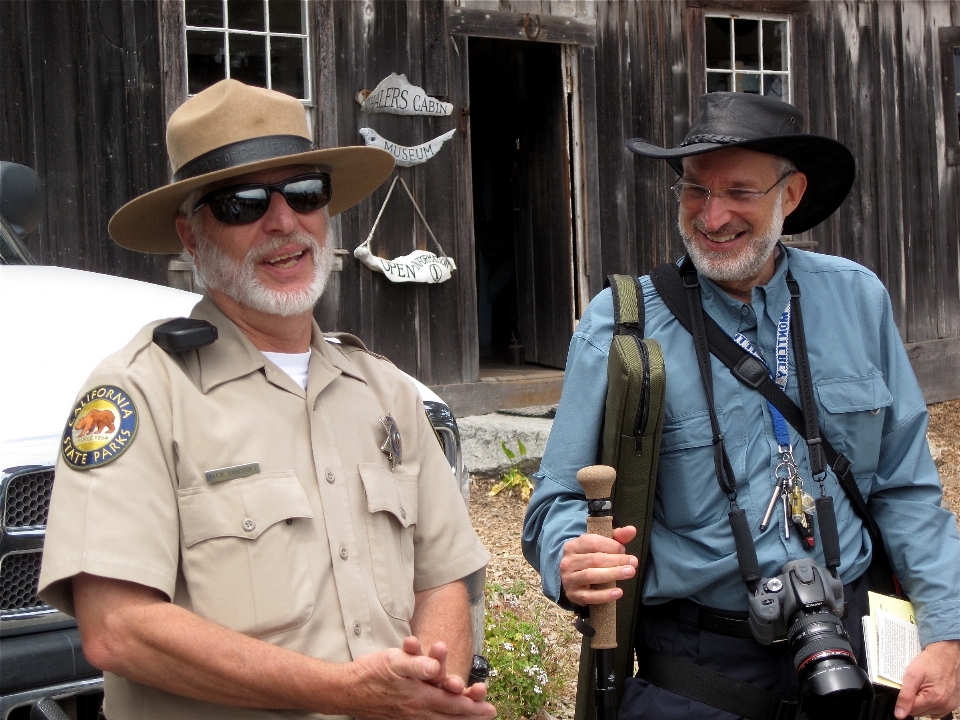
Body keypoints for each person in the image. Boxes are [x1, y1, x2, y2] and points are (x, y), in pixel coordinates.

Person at [39, 79, 495, 720]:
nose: (284, 222)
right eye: (241, 204)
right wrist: (349, 696)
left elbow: (444, 574)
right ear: (191, 235)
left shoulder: (386, 390)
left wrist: (429, 691)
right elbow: (118, 628)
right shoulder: (142, 393)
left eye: (305, 193)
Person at [522, 92, 960, 720]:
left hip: (859, 652)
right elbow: (554, 503)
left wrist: (947, 635)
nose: (712, 214)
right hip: (700, 672)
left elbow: (906, 490)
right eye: (695, 190)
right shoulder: (622, 326)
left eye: (739, 192)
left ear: (792, 193)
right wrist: (570, 555)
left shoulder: (858, 301)